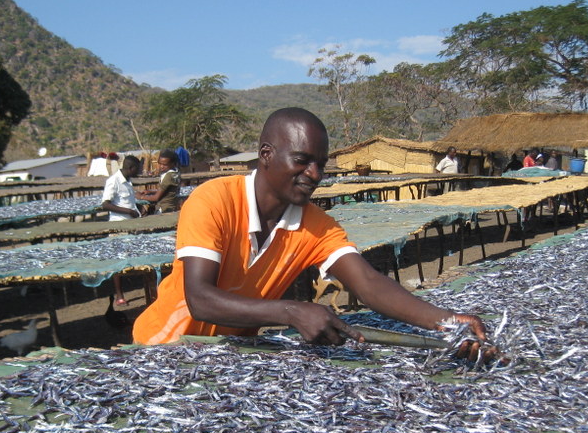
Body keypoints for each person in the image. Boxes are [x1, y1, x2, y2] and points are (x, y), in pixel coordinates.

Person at [133, 108, 488, 358]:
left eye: (321, 163)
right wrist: (292, 312)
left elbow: (367, 282)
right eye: (302, 160)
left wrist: (445, 321)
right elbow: (200, 299)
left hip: (230, 355)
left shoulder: (315, 223)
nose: (315, 174)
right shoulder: (214, 200)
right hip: (164, 348)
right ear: (266, 155)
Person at [101, 155, 142, 305]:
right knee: (118, 261)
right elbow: (105, 204)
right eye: (137, 168)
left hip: (131, 227)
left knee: (132, 257)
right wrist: (128, 211)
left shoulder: (129, 182)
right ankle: (119, 295)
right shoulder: (114, 181)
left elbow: (128, 202)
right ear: (131, 168)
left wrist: (137, 209)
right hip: (119, 226)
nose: (139, 171)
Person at [137, 149, 180, 214]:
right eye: (160, 164)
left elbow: (156, 198)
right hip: (172, 207)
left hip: (164, 209)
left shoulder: (169, 176)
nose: (161, 166)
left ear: (173, 164)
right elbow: (166, 190)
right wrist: (150, 191)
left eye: (165, 165)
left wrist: (140, 197)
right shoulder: (175, 173)